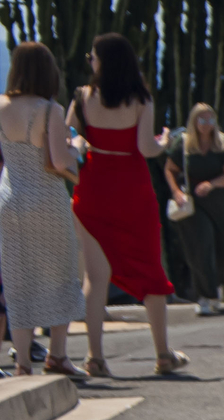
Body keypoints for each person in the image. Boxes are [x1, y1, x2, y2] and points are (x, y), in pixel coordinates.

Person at [69, 33, 183, 376]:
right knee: (150, 268)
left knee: (95, 276)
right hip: (132, 190)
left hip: (93, 189)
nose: (90, 60)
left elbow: (66, 135)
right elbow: (146, 148)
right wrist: (164, 141)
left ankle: (95, 357)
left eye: (93, 56)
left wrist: (81, 143)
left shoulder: (82, 97)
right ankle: (163, 354)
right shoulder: (140, 98)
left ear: (103, 61)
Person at [0, 43, 87, 380]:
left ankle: (22, 363)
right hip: (45, 199)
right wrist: (76, 148)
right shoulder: (49, 109)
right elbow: (59, 161)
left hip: (9, 198)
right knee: (60, 276)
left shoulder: (2, 105)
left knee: (18, 279)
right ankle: (58, 355)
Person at [163, 103, 224, 317]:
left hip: (220, 201)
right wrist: (177, 192)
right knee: (200, 246)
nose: (206, 125)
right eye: (202, 120)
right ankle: (205, 296)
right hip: (192, 204)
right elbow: (170, 169)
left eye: (210, 120)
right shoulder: (183, 144)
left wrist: (212, 184)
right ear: (194, 121)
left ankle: (217, 285)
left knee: (223, 249)